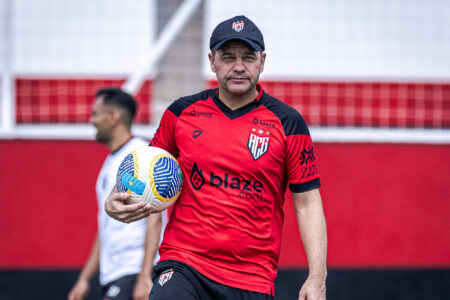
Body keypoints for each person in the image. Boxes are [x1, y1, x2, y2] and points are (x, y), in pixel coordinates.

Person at [105, 15, 327, 300]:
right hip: (185, 265)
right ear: (212, 61)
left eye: (248, 57)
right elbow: (142, 167)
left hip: (252, 278)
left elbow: (308, 203)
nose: (238, 67)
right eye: (228, 57)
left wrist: (317, 277)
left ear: (262, 61)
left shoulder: (288, 123)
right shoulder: (181, 113)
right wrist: (115, 199)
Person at [68, 87, 167, 300]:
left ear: (114, 117)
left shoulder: (139, 157)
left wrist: (144, 277)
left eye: (96, 113)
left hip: (133, 272)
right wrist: (84, 279)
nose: (91, 120)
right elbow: (106, 226)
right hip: (114, 275)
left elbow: (155, 216)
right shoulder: (112, 161)